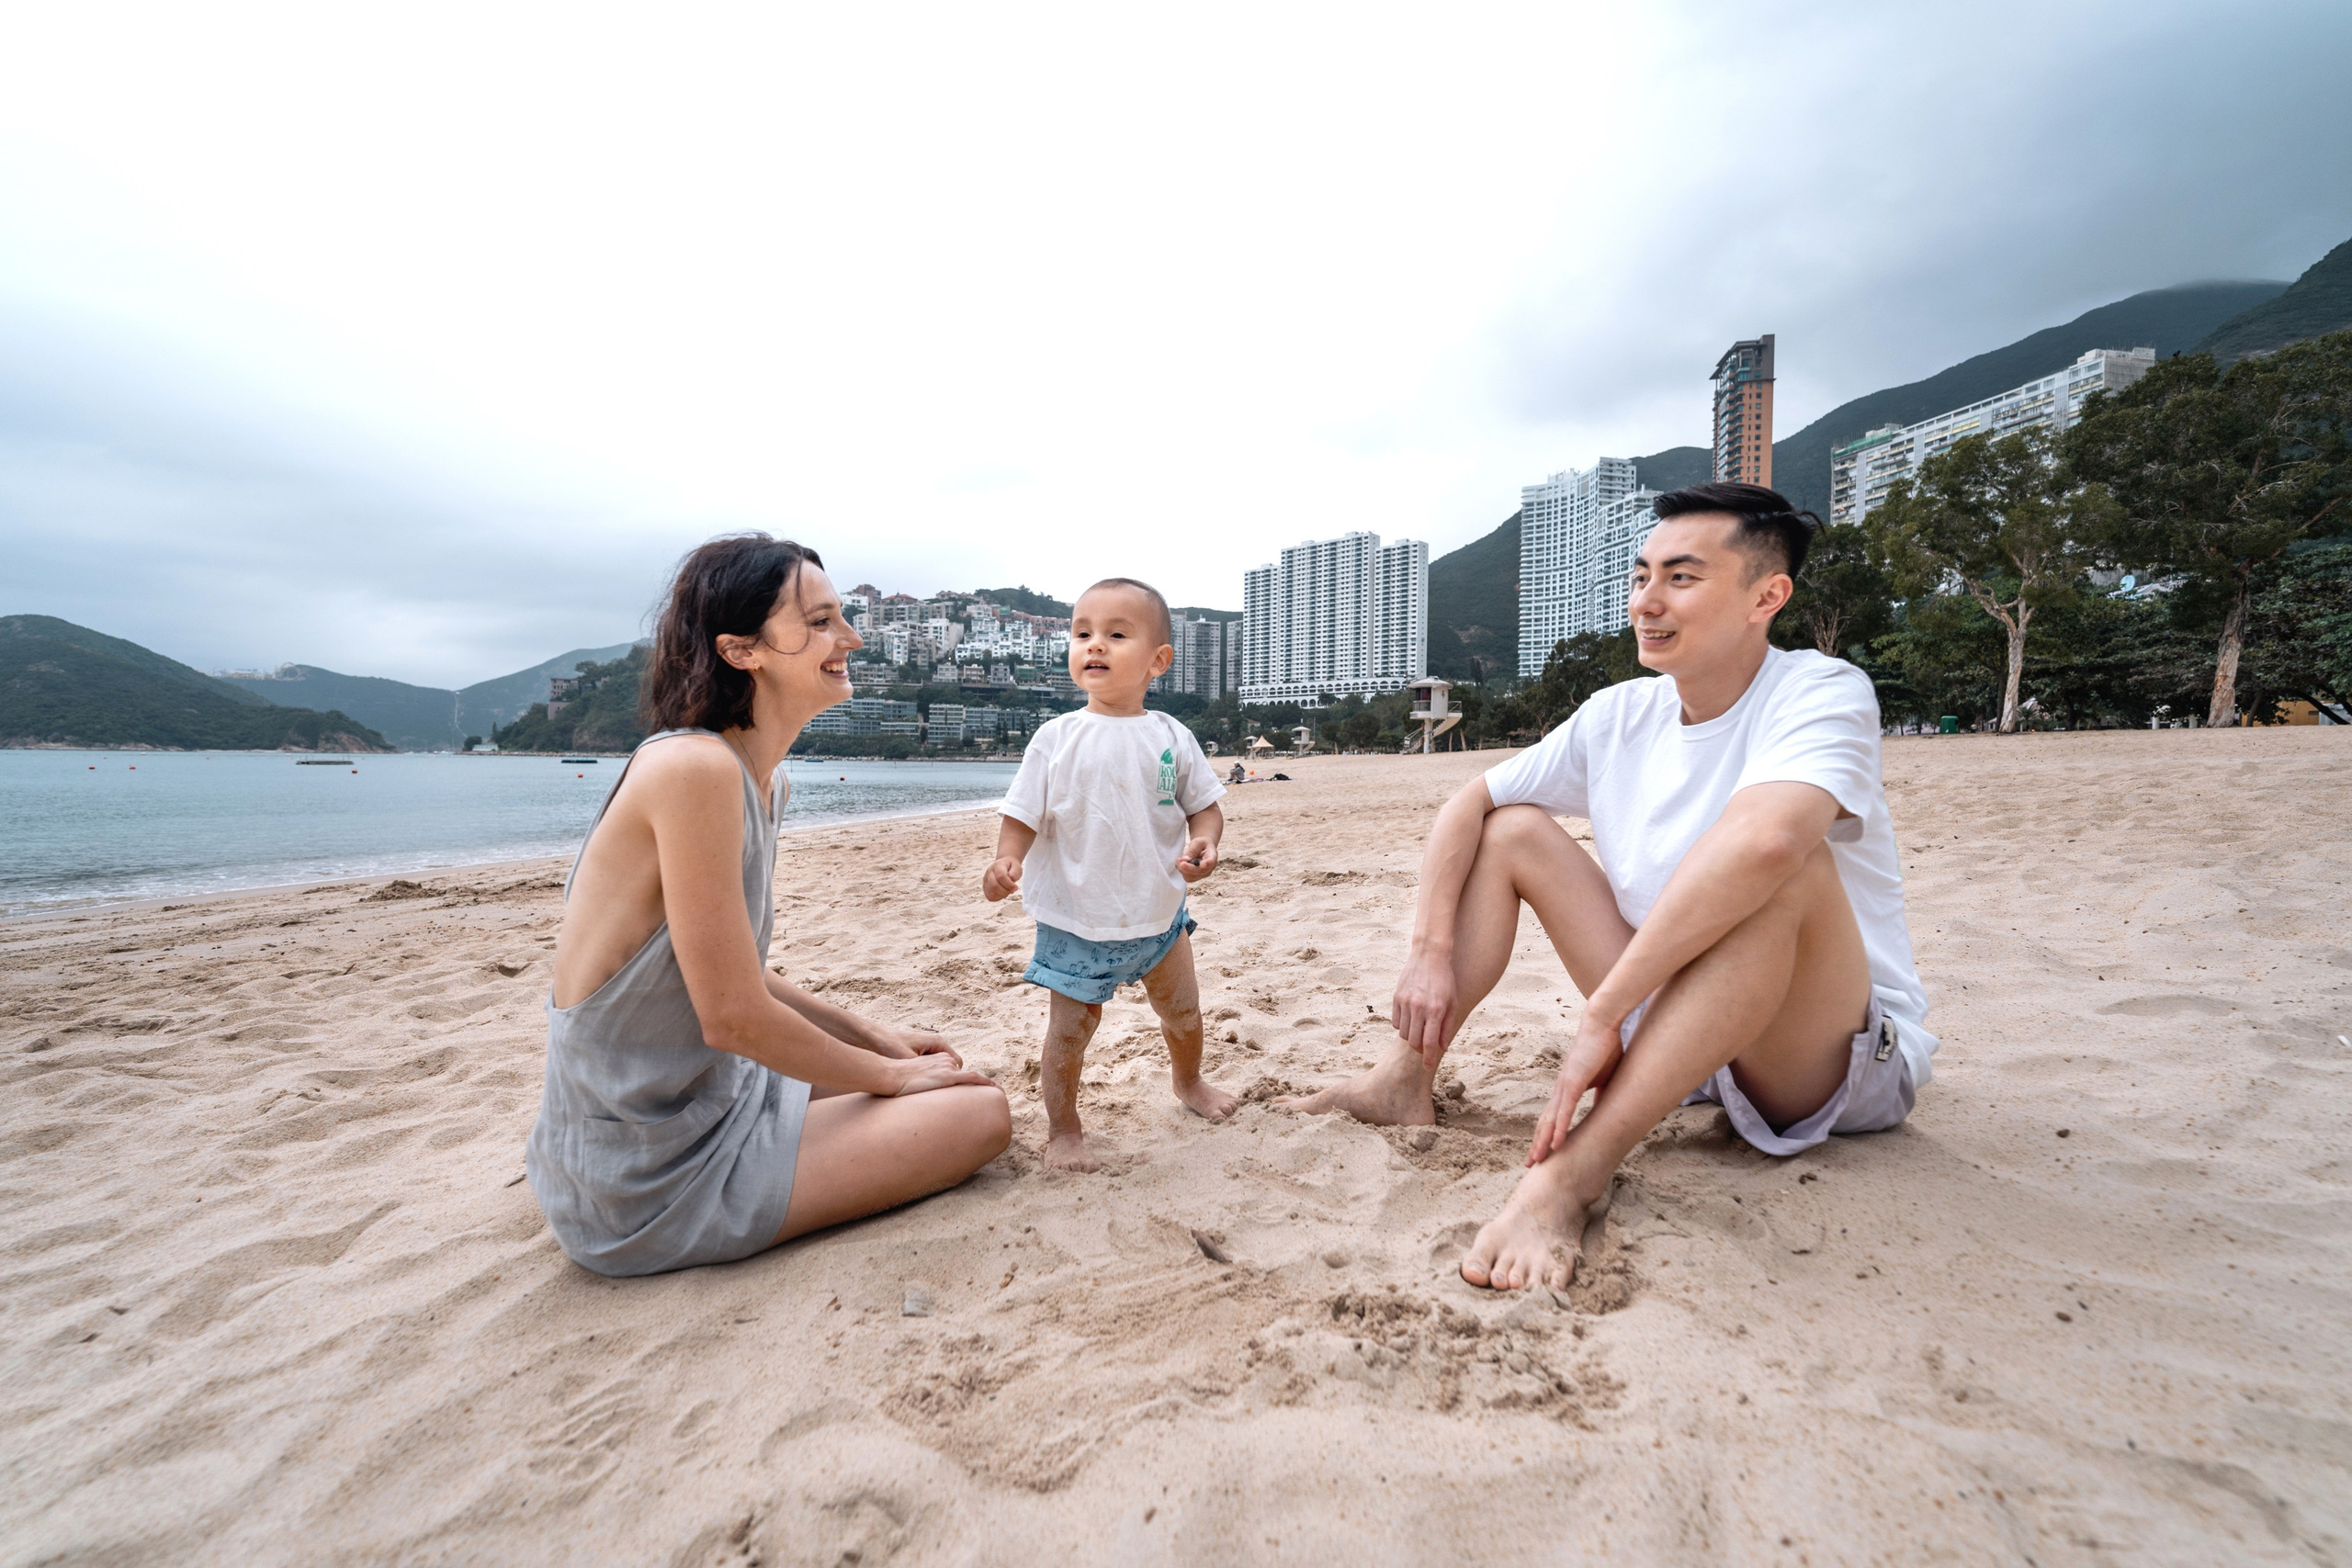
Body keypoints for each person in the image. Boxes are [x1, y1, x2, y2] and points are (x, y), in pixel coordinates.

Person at [1284, 483, 1937, 1292]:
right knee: (1512, 828)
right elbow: (1469, 802)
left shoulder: (1820, 690)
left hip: (1825, 1055)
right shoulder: (1619, 714)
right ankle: (1404, 1076)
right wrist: (1428, 949)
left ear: (1766, 597)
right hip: (1685, 1036)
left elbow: (1767, 843)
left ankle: (1570, 1179)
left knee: (1783, 866)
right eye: (1640, 576)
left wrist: (1603, 1013)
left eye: (1682, 578)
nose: (1647, 601)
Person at [527, 535, 1011, 1276]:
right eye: (819, 622)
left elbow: (730, 974)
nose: (849, 638)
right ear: (740, 649)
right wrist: (889, 1077)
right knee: (979, 1112)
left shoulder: (760, 778)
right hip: (645, 1168)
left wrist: (877, 1038)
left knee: (938, 1067)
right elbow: (731, 1015)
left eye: (840, 617)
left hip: (711, 1090)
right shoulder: (694, 770)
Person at [982, 578, 1238, 1171]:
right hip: (1076, 920)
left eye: (1116, 635)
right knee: (1069, 1034)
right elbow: (1021, 814)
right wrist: (1006, 858)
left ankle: (1189, 1081)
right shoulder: (1056, 738)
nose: (1094, 644)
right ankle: (1064, 1130)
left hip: (1159, 915)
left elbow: (1204, 807)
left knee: (1184, 1014)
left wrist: (1206, 840)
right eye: (1083, 633)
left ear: (1158, 661)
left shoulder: (1172, 736)